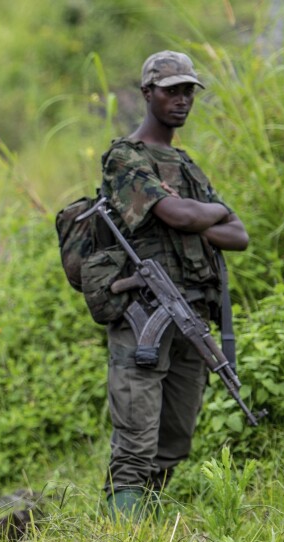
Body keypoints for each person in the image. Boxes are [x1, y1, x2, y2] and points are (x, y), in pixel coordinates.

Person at [99, 52, 250, 518]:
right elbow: (178, 214)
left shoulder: (185, 165)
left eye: (188, 91)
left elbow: (239, 234)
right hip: (143, 312)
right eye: (171, 90)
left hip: (192, 315)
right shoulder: (125, 158)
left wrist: (195, 219)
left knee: (174, 439)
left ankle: (149, 528)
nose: (182, 100)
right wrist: (200, 216)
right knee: (136, 439)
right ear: (147, 93)